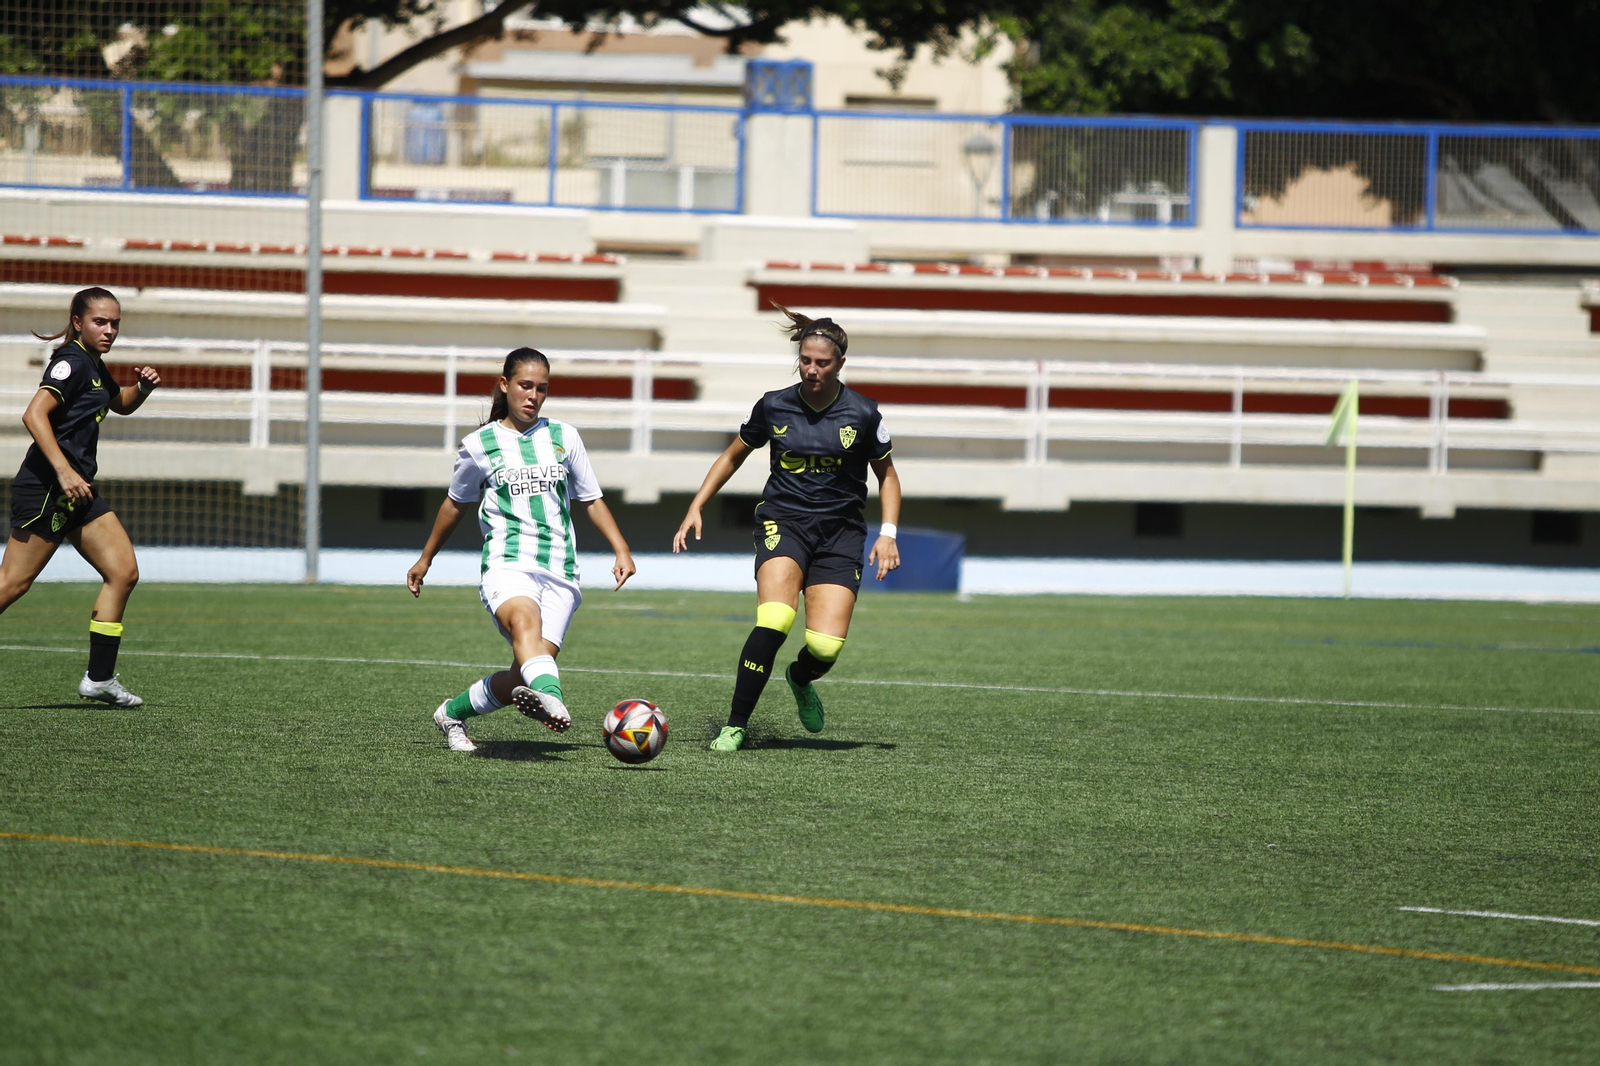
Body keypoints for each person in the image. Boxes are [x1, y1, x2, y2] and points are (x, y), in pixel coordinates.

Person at [673, 305, 901, 752]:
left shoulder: (864, 413)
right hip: (784, 523)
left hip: (841, 534)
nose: (812, 370)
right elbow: (733, 454)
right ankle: (735, 725)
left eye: (823, 362)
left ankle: (799, 678)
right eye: (805, 360)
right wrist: (696, 505)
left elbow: (887, 474)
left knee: (825, 649)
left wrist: (888, 532)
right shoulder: (774, 403)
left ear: (840, 364)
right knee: (775, 619)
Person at [408, 347, 636, 753]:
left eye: (542, 389)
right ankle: (556, 700)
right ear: (505, 386)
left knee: (522, 675)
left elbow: (592, 499)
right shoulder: (480, 445)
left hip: (561, 568)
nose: (533, 396)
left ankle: (451, 713)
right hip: (506, 562)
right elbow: (454, 504)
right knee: (525, 622)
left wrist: (621, 549)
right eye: (525, 386)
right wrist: (426, 558)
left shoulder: (564, 436)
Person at [0, 286, 161, 707]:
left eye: (115, 323)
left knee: (123, 572)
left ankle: (100, 679)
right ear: (77, 323)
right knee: (11, 586)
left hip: (79, 492)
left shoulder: (94, 363)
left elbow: (119, 404)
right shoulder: (70, 362)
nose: (109, 330)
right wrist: (64, 469)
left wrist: (141, 389)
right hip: (48, 489)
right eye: (100, 322)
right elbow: (33, 414)